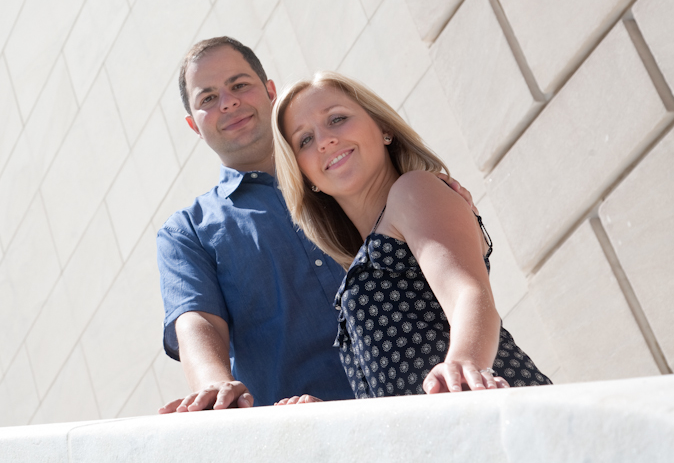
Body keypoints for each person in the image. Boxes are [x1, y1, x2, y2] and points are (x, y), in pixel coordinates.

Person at [156, 37, 478, 412]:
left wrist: (439, 204)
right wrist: (213, 385)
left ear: (270, 91)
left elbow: (451, 266)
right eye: (208, 98)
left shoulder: (347, 169)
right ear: (193, 125)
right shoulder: (188, 231)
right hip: (307, 429)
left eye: (239, 85)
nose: (227, 103)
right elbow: (197, 321)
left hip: (441, 400)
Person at [271, 71, 552, 397]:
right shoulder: (364, 260)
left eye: (337, 119)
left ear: (385, 129)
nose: (324, 140)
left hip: (496, 410)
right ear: (305, 177)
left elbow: (468, 293)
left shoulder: (414, 190)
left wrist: (464, 363)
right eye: (305, 140)